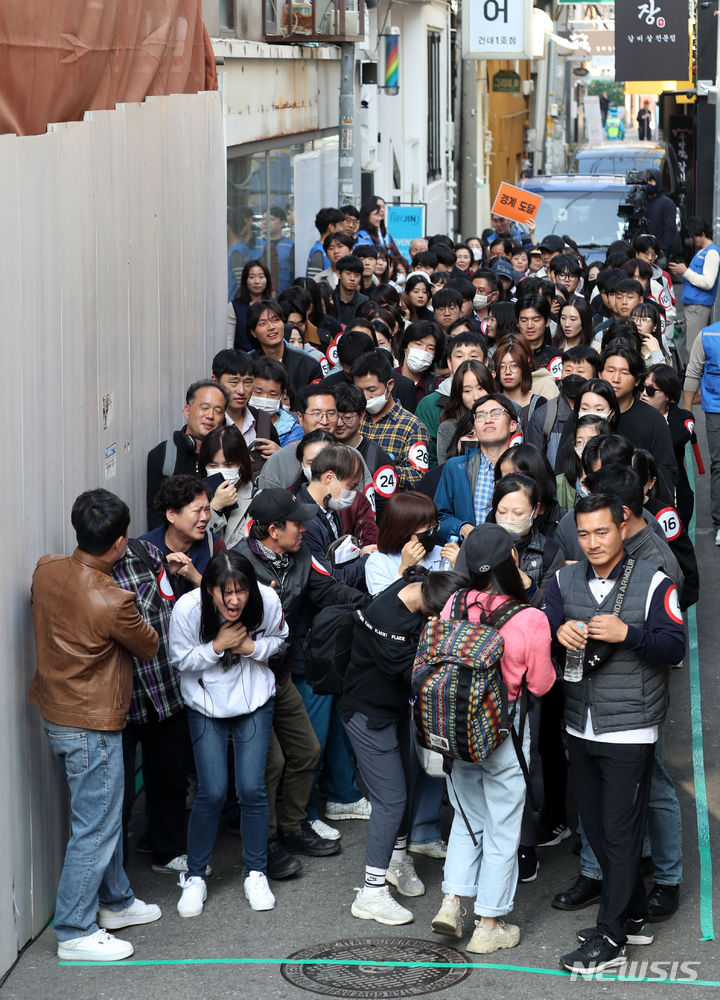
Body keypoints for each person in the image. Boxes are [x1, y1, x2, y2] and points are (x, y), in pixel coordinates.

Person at [545, 494, 685, 974]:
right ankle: (635, 913)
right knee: (596, 830)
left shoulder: (654, 582)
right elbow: (542, 635)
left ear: (622, 528)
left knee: (621, 834)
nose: (592, 542)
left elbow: (675, 646)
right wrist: (557, 633)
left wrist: (629, 635)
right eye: (583, 534)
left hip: (631, 729)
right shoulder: (563, 579)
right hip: (579, 723)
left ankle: (610, 937)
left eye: (601, 532)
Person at [29, 489, 161, 961]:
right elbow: (148, 645)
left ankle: (116, 902)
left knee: (98, 820)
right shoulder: (114, 599)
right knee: (96, 828)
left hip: (57, 712)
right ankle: (74, 931)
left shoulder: (46, 569)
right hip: (92, 725)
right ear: (121, 543)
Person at [430, 524, 554, 953]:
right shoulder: (530, 619)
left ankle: (451, 902)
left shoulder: (453, 603)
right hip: (503, 732)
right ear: (510, 562)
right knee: (503, 826)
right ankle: (489, 923)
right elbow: (540, 685)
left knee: (467, 817)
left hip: (456, 730)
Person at [235, 491, 369, 877]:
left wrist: (373, 603)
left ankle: (293, 827)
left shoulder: (299, 558)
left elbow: (327, 591)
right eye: (296, 523)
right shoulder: (237, 565)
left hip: (281, 674)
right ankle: (267, 841)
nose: (304, 528)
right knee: (271, 762)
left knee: (308, 751)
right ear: (273, 530)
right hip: (245, 680)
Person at [342, 567, 466, 926]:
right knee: (390, 799)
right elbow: (423, 679)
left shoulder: (412, 584)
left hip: (392, 709)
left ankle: (397, 860)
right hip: (367, 715)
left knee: (407, 786)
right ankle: (371, 893)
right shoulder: (390, 627)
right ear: (433, 610)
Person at [168, 551, 288, 917]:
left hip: (254, 701)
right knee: (212, 790)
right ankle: (195, 876)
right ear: (209, 589)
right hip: (205, 706)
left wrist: (252, 648)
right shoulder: (189, 609)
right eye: (225, 593)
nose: (234, 600)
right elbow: (179, 659)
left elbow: (281, 638)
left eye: (241, 591)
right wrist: (216, 647)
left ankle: (255, 870)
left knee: (252, 789)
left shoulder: (266, 600)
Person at [435, 393, 519, 541]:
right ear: (474, 426)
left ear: (513, 424)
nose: (487, 420)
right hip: (466, 554)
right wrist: (462, 528)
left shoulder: (525, 466)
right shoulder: (455, 467)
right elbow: (439, 517)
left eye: (496, 414)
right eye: (480, 415)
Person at [600, 343, 677, 503]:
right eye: (611, 371)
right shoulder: (586, 413)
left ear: (637, 380)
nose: (616, 379)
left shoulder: (653, 420)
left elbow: (665, 473)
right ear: (600, 373)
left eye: (624, 372)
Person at [146, 380, 228, 530]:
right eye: (204, 408)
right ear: (187, 411)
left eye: (218, 411)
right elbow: (155, 516)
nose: (210, 415)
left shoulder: (228, 456)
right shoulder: (163, 456)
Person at [296, 443, 376, 588]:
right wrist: (365, 559)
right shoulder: (304, 523)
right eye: (351, 486)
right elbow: (330, 579)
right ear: (329, 478)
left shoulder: (330, 509)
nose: (353, 493)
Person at [351, 351, 431, 490]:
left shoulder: (412, 426)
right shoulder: (352, 420)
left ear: (390, 385)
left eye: (371, 389)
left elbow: (418, 476)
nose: (365, 396)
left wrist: (379, 468)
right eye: (359, 390)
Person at [142, 475, 226, 597]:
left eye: (207, 509)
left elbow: (226, 599)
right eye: (197, 511)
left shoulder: (214, 545)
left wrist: (197, 579)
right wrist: (162, 571)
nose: (204, 517)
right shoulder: (145, 548)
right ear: (171, 514)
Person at [416, 332, 489, 466]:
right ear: (449, 363)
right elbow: (429, 457)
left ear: (485, 362)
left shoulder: (503, 407)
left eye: (473, 356)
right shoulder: (429, 404)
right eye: (459, 356)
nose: (466, 361)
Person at [641, 364, 696, 528]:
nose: (644, 394)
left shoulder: (684, 418)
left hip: (676, 493)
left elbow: (673, 439)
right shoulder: (634, 416)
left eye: (651, 390)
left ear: (668, 396)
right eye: (643, 388)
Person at [210, 350, 280, 478]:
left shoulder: (263, 420)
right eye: (233, 383)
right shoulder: (209, 422)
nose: (241, 391)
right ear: (215, 381)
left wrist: (279, 456)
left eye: (248, 382)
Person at [683, 320, 720, 543]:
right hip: (716, 410)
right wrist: (686, 413)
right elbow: (693, 372)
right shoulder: (708, 336)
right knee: (719, 464)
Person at [668, 217, 720, 363]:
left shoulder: (712, 253)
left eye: (694, 235)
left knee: (693, 349)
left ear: (703, 233)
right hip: (693, 305)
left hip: (699, 306)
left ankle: (693, 384)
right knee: (689, 346)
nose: (692, 239)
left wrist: (685, 271)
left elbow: (708, 282)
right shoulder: (703, 251)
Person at [247, 299, 323, 394]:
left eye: (275, 320)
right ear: (253, 332)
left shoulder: (308, 365)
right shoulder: (247, 365)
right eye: (263, 323)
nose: (271, 327)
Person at [198, 424, 254, 548]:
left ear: (242, 464)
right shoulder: (192, 500)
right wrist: (214, 507)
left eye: (228, 465)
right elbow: (194, 543)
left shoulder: (258, 499)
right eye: (213, 466)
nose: (221, 471)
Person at [436, 360, 495, 465]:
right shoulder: (449, 427)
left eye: (480, 388)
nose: (476, 397)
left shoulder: (504, 420)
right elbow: (445, 471)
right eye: (467, 391)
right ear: (458, 394)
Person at [250, 355, 304, 448]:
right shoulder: (237, 420)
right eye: (258, 392)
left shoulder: (293, 430)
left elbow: (295, 460)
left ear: (283, 394)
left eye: (272, 394)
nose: (265, 399)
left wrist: (279, 453)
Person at [228, 260, 273, 352]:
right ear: (245, 280)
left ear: (267, 279)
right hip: (242, 362)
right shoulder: (234, 307)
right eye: (252, 277)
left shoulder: (274, 306)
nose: (257, 281)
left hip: (269, 361)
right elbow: (229, 341)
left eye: (261, 277)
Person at [250, 206, 295, 295]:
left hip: (284, 296)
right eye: (263, 219)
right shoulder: (254, 244)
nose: (265, 222)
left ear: (282, 223)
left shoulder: (290, 246)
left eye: (271, 219)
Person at [643, 170, 677, 262]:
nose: (649, 184)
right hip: (642, 252)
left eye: (652, 181)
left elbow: (670, 228)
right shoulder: (642, 202)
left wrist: (664, 253)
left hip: (658, 253)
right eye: (647, 181)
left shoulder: (667, 203)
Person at [307, 207, 345, 279]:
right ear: (331, 228)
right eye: (340, 225)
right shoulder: (318, 252)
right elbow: (313, 284)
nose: (342, 229)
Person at [335, 255, 369, 327]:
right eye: (348, 274)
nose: (352, 278)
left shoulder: (365, 302)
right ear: (339, 274)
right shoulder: (330, 299)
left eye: (357, 275)